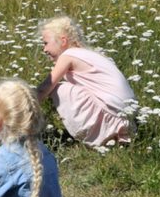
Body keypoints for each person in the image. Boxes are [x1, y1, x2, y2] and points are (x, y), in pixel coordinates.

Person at [36, 15, 136, 149]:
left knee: (58, 88)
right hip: (128, 118)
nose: (44, 49)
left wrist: (18, 108)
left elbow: (44, 88)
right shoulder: (90, 54)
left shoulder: (68, 55)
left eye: (46, 43)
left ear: (63, 41)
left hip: (110, 116)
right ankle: (121, 137)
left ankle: (98, 135)